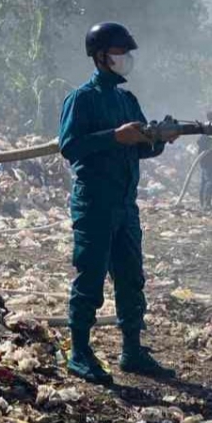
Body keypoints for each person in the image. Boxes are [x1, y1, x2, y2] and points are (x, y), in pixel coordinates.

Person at [58, 22, 179, 384]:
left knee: (131, 278)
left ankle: (132, 350)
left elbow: (141, 147)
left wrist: (161, 138)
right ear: (100, 57)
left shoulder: (127, 100)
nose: (126, 60)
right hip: (94, 203)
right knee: (91, 278)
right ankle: (79, 351)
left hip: (126, 205)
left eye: (127, 54)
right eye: (119, 53)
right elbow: (70, 145)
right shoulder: (82, 98)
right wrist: (114, 136)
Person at [196, 110, 212, 210]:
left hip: (208, 160)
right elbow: (200, 141)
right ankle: (206, 205)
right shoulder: (208, 128)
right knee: (211, 181)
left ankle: (204, 204)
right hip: (207, 160)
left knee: (205, 182)